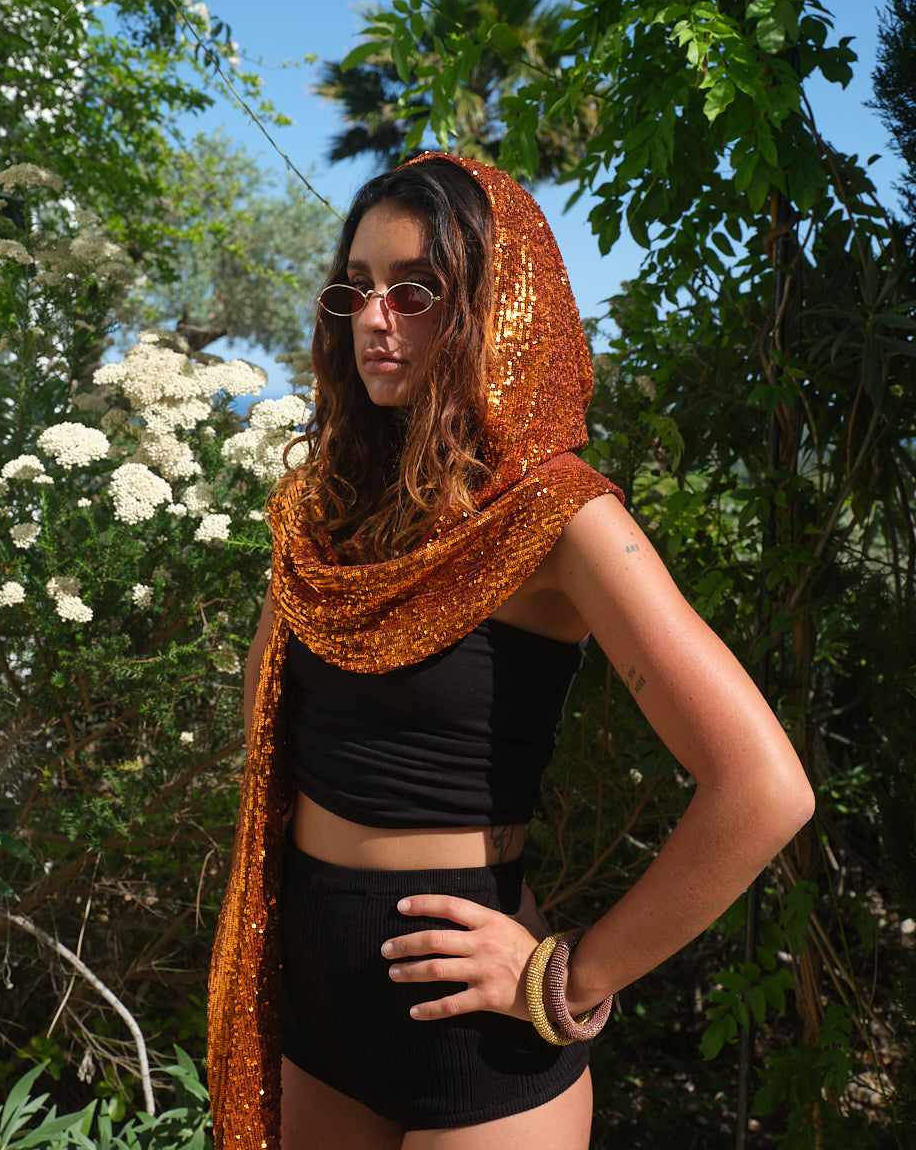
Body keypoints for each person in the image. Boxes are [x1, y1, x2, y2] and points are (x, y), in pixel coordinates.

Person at [206, 152, 814, 1150]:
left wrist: (570, 975)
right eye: (357, 288)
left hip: (478, 1034)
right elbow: (271, 724)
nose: (375, 319)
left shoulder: (560, 518)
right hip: (314, 1000)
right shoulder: (324, 512)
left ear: (496, 310)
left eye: (415, 291)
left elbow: (764, 788)